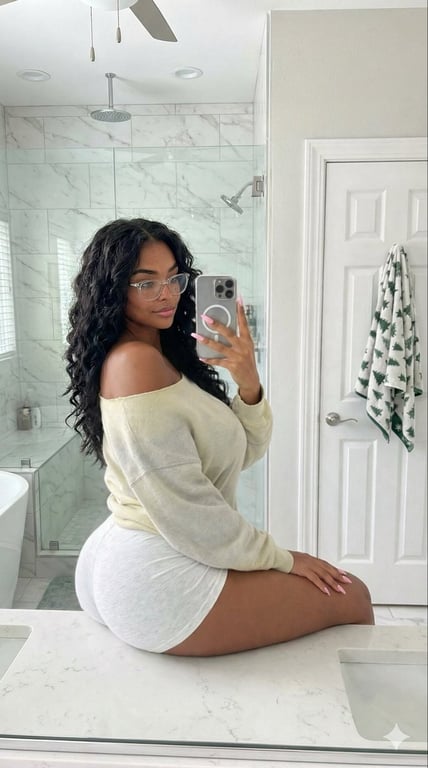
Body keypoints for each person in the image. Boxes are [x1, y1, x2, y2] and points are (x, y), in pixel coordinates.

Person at [66, 217, 374, 657]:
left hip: (143, 552)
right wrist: (283, 557)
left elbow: (241, 452)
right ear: (113, 289)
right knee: (353, 596)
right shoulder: (135, 363)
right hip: (153, 570)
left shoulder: (161, 356)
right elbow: (186, 506)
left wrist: (248, 382)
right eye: (146, 283)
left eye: (174, 278)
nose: (167, 294)